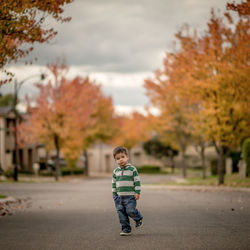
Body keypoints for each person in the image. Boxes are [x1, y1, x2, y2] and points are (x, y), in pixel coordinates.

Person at [112, 146, 143, 236]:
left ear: (127, 157)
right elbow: (114, 183)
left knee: (130, 210)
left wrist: (137, 192)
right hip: (119, 197)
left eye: (122, 157)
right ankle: (126, 229)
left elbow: (137, 181)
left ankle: (138, 218)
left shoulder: (132, 169)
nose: (120, 160)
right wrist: (114, 195)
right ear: (115, 160)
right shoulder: (115, 171)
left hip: (130, 196)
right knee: (121, 214)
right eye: (118, 158)